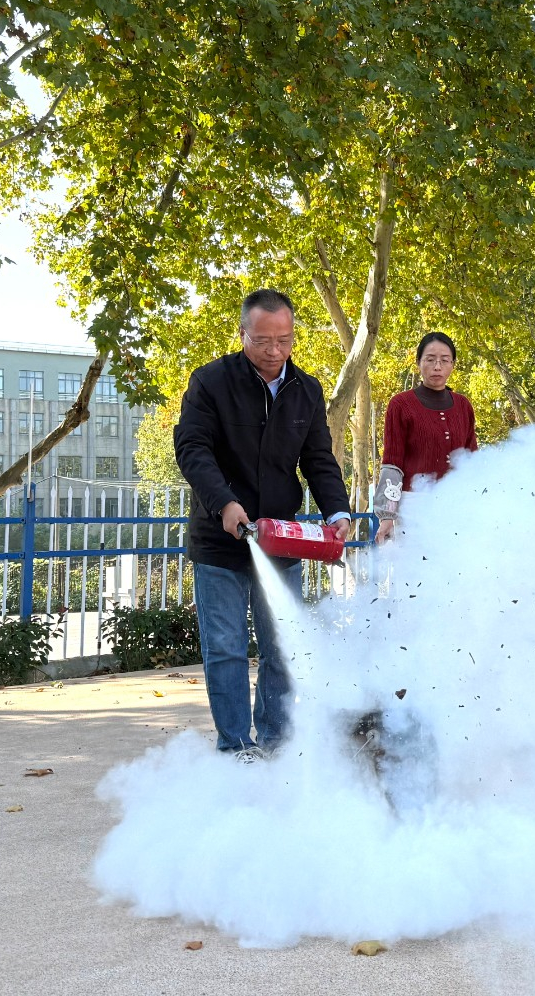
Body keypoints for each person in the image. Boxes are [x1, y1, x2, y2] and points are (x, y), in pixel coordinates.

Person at [174, 289, 355, 761]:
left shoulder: (307, 390)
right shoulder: (210, 382)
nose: (274, 351)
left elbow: (318, 460)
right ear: (243, 334)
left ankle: (274, 742)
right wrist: (224, 504)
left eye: (285, 340)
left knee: (281, 650)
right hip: (221, 541)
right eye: (263, 341)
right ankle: (236, 747)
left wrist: (337, 512)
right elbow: (193, 450)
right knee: (227, 648)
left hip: (281, 541)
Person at [373, 331, 479, 544]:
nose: (437, 366)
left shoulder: (463, 406)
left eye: (444, 360)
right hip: (414, 509)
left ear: (453, 364)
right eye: (430, 359)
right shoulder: (400, 405)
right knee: (416, 574)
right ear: (419, 362)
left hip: (457, 507)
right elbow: (393, 463)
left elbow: (473, 461)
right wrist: (387, 515)